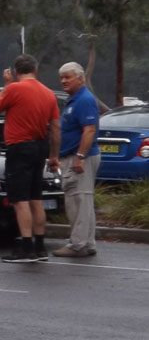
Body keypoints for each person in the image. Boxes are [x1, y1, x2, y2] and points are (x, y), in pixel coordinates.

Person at [0, 54, 61, 262]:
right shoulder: (48, 94)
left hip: (19, 147)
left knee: (20, 200)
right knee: (36, 198)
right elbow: (55, 128)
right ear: (36, 70)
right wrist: (53, 155)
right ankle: (40, 246)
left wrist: (7, 85)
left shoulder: (14, 89)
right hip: (40, 146)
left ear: (16, 71)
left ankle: (26, 247)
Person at [53, 62, 100, 257]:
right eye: (62, 77)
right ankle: (87, 243)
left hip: (80, 157)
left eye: (68, 77)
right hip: (73, 156)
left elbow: (89, 130)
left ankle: (78, 244)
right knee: (82, 200)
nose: (64, 81)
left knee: (78, 200)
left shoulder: (84, 100)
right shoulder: (75, 99)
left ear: (80, 78)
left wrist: (80, 156)